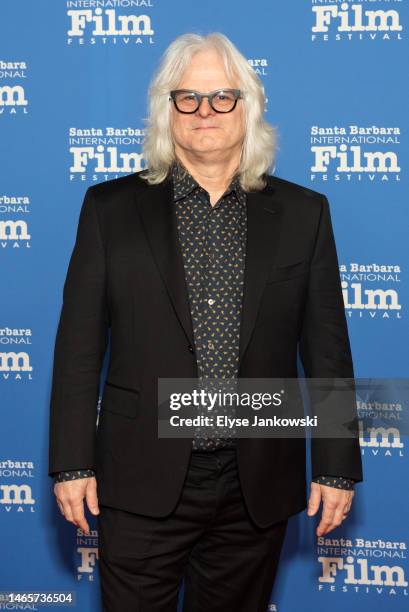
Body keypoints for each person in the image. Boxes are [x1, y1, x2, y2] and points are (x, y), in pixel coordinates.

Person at [49, 31, 363, 611]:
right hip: (139, 476)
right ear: (167, 111)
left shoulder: (304, 213)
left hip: (255, 484)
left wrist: (338, 468)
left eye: (222, 96)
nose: (205, 112)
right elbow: (77, 351)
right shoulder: (109, 209)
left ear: (248, 106)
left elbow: (329, 351)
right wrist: (71, 463)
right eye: (187, 98)